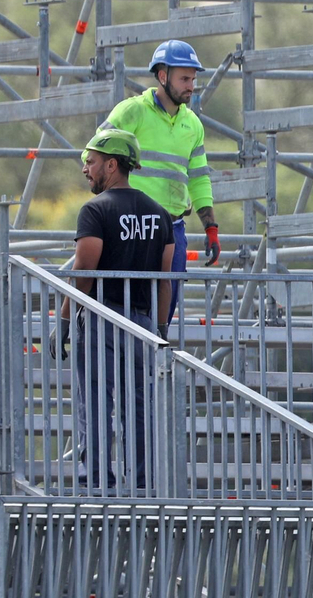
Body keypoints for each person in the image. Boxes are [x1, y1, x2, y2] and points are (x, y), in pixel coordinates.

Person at [51, 128, 175, 491]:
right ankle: (143, 485)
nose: (86, 170)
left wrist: (63, 320)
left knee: (95, 406)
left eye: (90, 162)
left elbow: (84, 273)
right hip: (142, 322)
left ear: (112, 164)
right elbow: (164, 281)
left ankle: (98, 485)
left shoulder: (95, 210)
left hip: (101, 318)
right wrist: (160, 329)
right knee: (139, 409)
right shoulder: (160, 214)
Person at [99, 39, 218, 326]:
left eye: (193, 78)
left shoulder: (193, 125)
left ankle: (153, 365)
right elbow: (95, 154)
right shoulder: (132, 111)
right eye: (184, 78)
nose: (191, 85)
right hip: (131, 227)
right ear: (162, 76)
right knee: (122, 309)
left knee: (162, 314)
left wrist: (211, 227)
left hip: (173, 228)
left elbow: (199, 179)